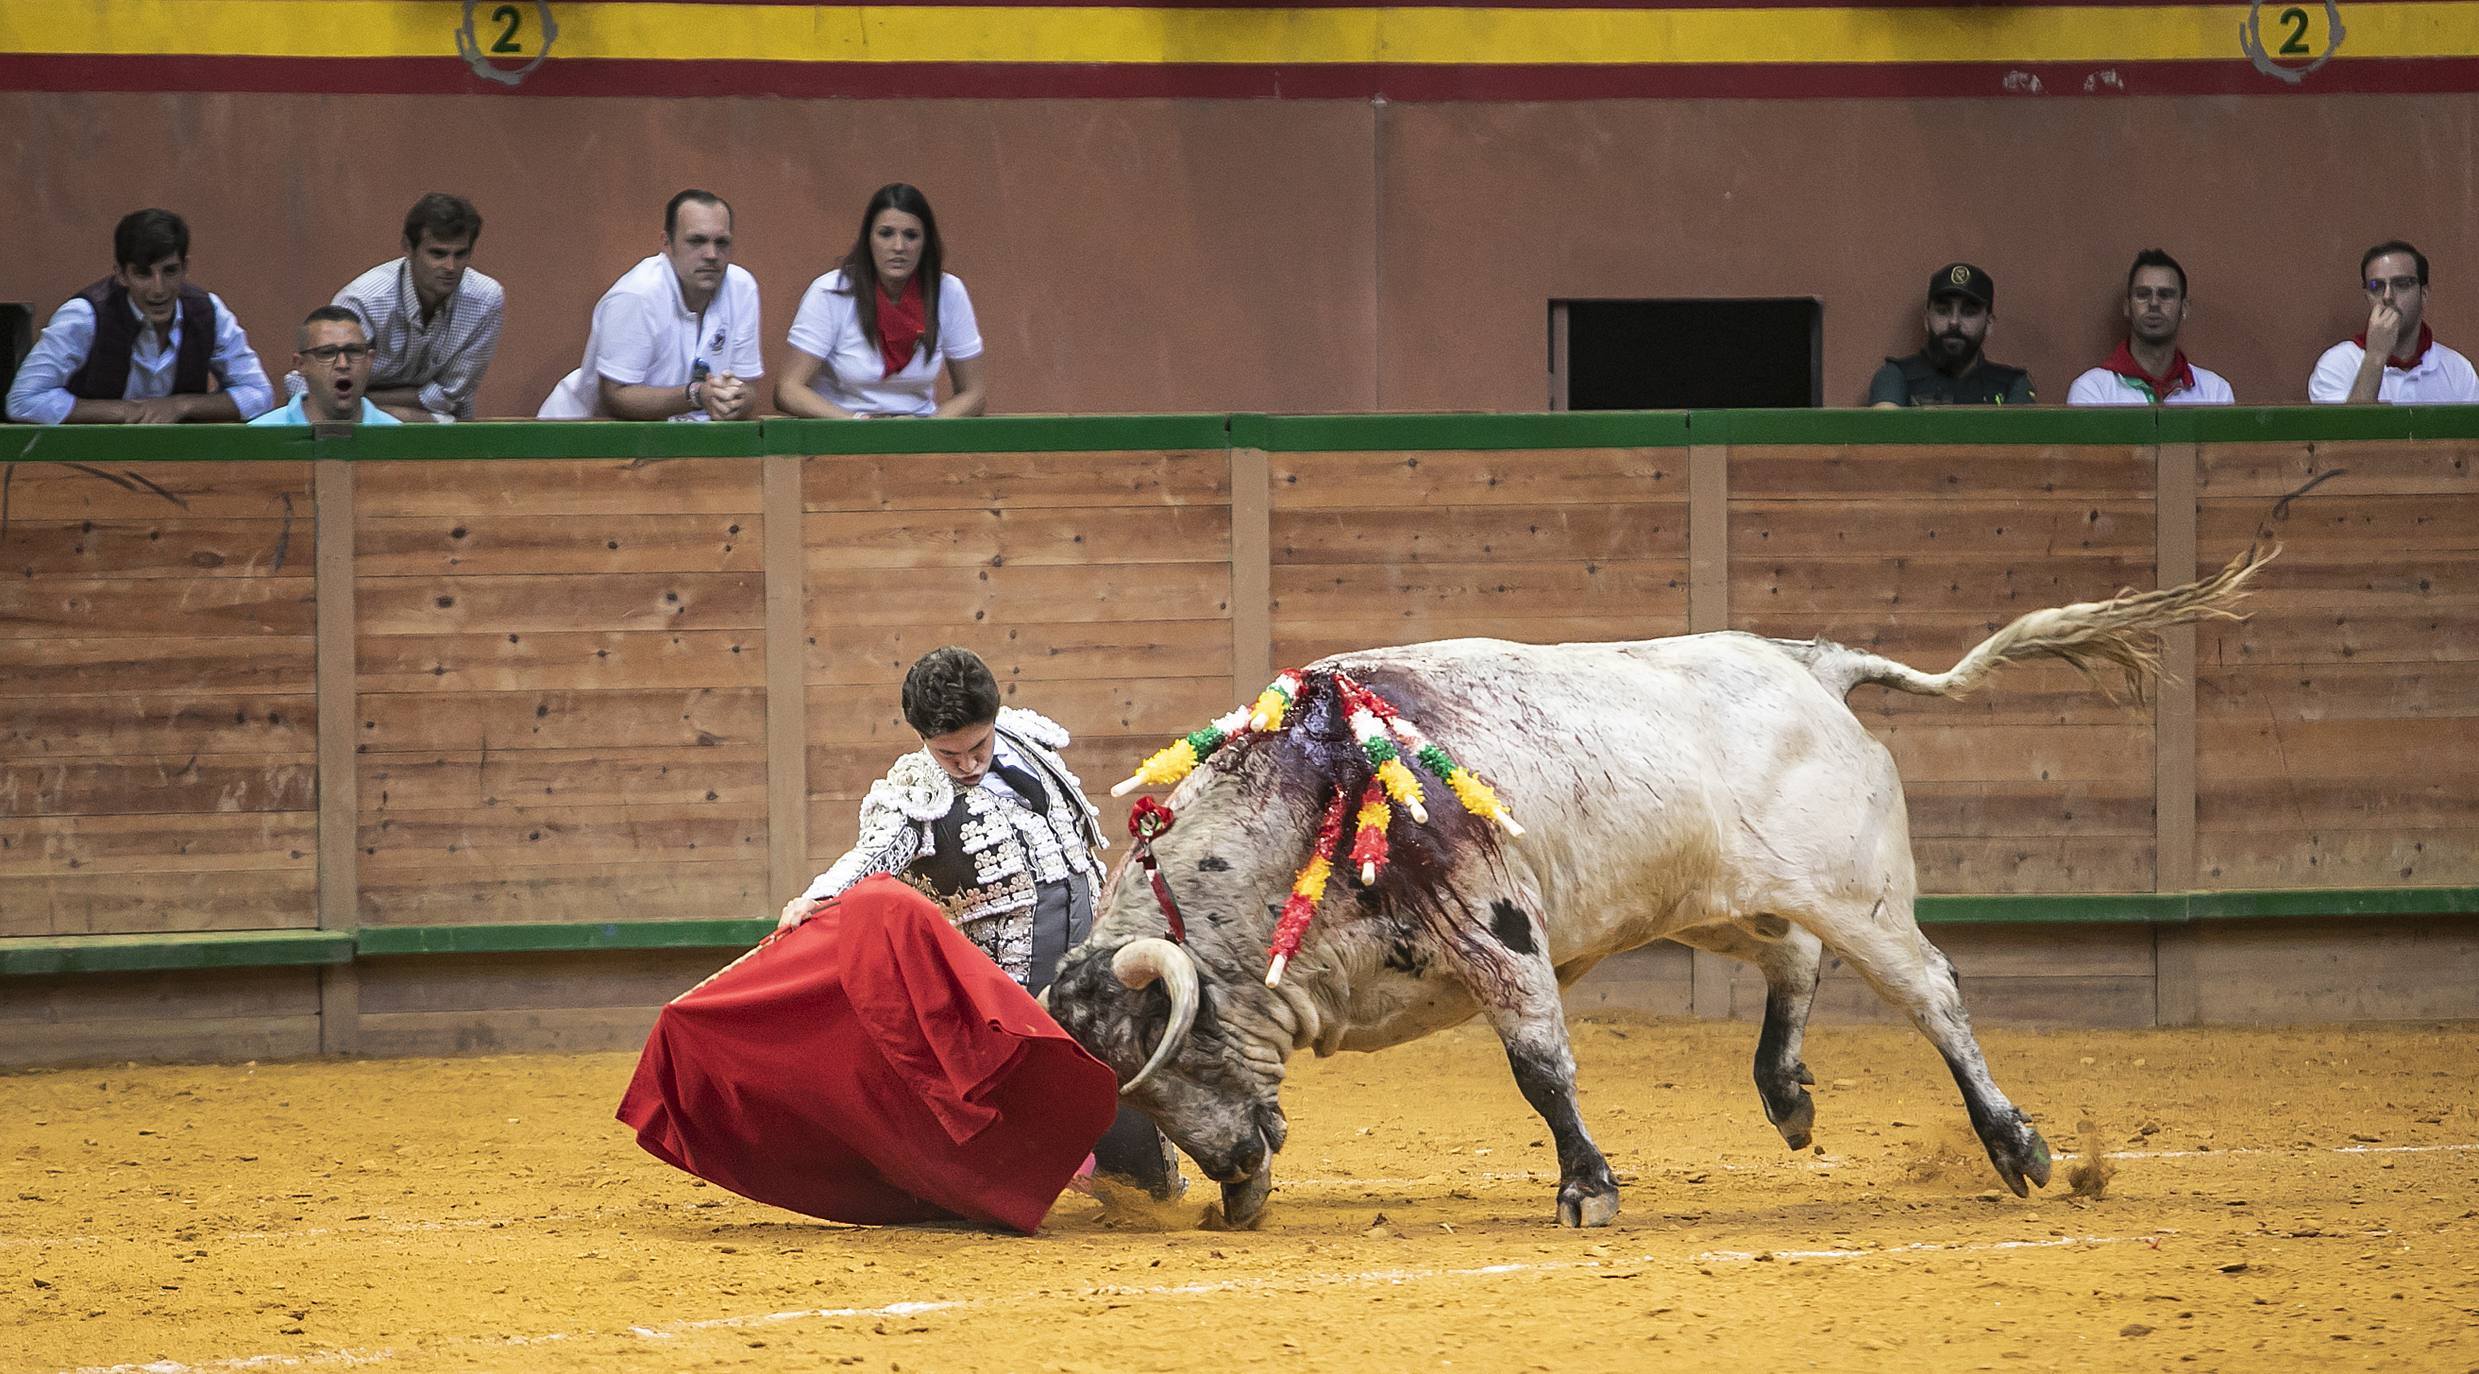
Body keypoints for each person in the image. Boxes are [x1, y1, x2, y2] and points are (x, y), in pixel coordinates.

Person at [778, 646, 1178, 1195]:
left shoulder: (1025, 741)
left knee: (1119, 1061)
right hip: (1009, 975)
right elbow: (872, 857)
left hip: (1091, 943)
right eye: (949, 754)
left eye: (977, 746)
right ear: (922, 739)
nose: (967, 764)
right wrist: (817, 897)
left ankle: (1137, 1186)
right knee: (1033, 1090)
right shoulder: (914, 791)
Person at [6, 209, 274, 424]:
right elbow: (23, 400)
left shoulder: (209, 312)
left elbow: (259, 394)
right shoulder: (85, 316)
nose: (158, 289)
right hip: (90, 460)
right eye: (143, 274)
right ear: (121, 274)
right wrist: (125, 412)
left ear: (186, 269)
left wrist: (181, 405)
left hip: (179, 463)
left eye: (170, 271)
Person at [537, 189, 762, 421]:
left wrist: (735, 399)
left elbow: (749, 388)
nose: (712, 254)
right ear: (667, 243)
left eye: (722, 242)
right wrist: (696, 395)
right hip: (580, 435)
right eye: (696, 241)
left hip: (673, 439)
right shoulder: (637, 294)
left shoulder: (742, 288)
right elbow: (615, 397)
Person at [775, 183, 987, 419]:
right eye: (886, 234)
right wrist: (859, 426)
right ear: (868, 240)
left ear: (926, 242)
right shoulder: (830, 292)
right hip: (844, 431)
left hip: (919, 435)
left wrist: (926, 429)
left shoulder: (948, 291)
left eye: (911, 235)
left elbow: (974, 393)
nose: (899, 247)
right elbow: (788, 390)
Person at [329, 193, 503, 422]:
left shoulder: (486, 299)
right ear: (408, 248)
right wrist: (387, 415)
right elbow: (327, 389)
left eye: (460, 254)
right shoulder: (363, 301)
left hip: (442, 427)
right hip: (356, 424)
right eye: (438, 254)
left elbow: (451, 395)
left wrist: (367, 399)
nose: (450, 267)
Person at [2308, 240, 2479, 404]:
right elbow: (2349, 432)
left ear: (2424, 295)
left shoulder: (2457, 369)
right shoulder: (2337, 363)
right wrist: (2375, 357)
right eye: (2376, 286)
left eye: (2402, 284)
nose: (2388, 296)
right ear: (2367, 296)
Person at [2066, 250, 2235, 406]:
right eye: (2143, 294)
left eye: (2166, 295)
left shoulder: (2215, 392)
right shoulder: (2092, 390)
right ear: (2127, 306)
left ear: (2184, 308)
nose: (2154, 303)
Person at [1867, 263, 2035, 407]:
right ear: (1926, 319)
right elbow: (1886, 438)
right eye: (1943, 311)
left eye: (1969, 312)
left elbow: (2020, 441)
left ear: (1989, 324)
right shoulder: (1896, 376)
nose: (1954, 322)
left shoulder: (2012, 384)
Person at [247, 308, 401, 427]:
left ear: (369, 360)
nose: (343, 364)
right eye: (327, 353)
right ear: (301, 364)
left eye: (354, 351)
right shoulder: (260, 435)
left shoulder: (399, 438)